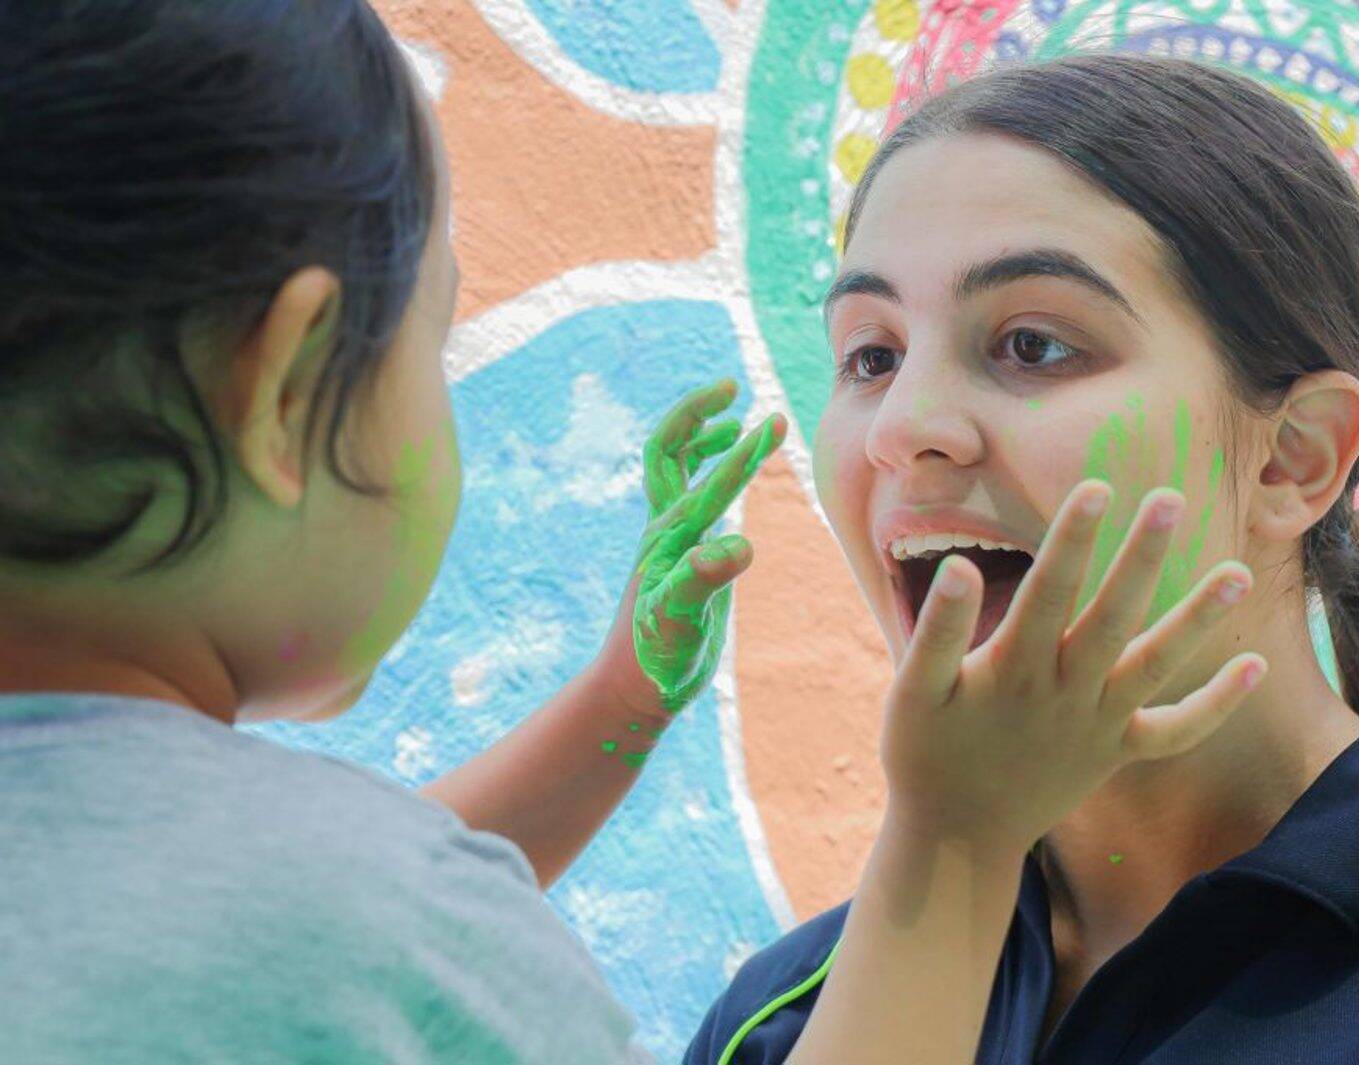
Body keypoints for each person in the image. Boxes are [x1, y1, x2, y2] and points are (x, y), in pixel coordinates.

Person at [688, 52, 1359, 1064]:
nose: (903, 427)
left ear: (1292, 459)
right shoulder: (781, 1023)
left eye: (1031, 344)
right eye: (872, 355)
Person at [0, 3, 784, 1061]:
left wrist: (621, 706)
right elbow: (350, 924)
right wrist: (953, 840)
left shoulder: (335, 921)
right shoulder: (388, 937)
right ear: (278, 389)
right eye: (434, 334)